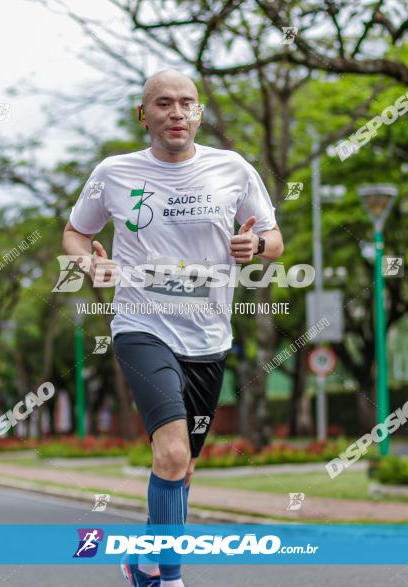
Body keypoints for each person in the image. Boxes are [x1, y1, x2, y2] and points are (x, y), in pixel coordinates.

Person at [61, 69, 283, 587]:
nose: (176, 113)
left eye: (186, 103)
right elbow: (76, 232)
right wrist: (87, 264)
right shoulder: (114, 173)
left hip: (208, 336)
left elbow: (273, 238)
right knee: (173, 452)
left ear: (199, 113)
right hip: (141, 326)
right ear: (144, 115)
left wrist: (257, 247)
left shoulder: (233, 169)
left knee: (181, 469)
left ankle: (143, 558)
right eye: (163, 104)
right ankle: (169, 577)